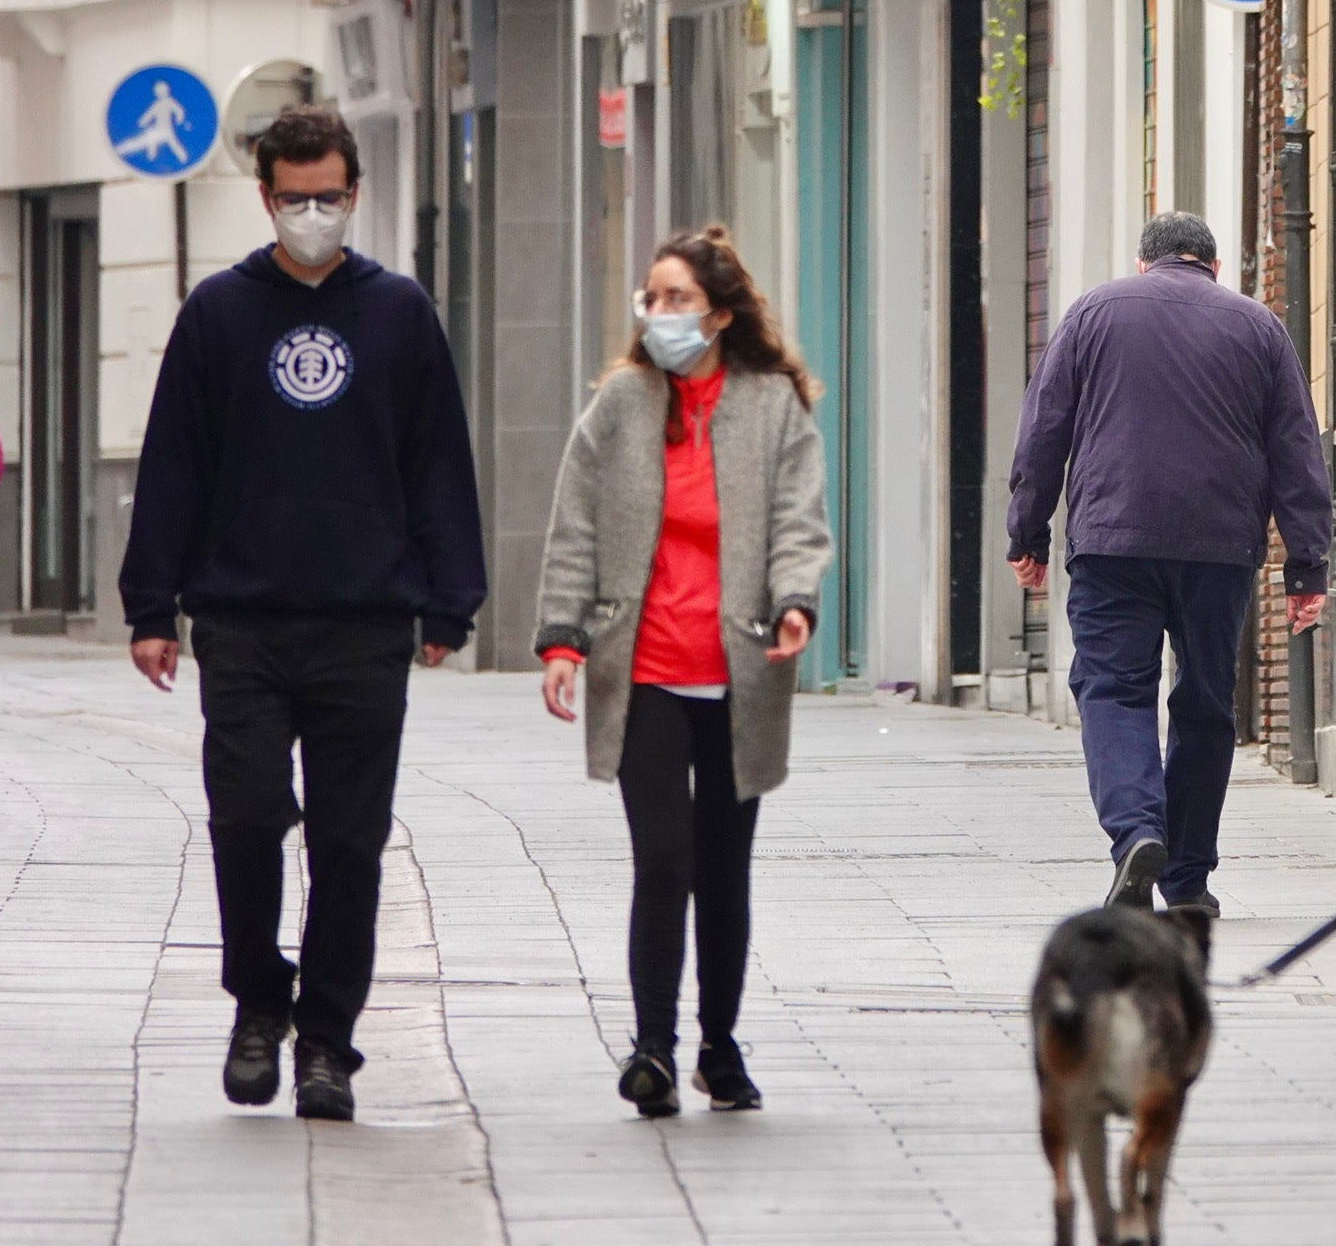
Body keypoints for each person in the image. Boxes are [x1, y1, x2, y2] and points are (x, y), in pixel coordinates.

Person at [119, 105, 486, 1123]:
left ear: (355, 193)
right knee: (241, 817)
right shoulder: (219, 314)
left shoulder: (400, 314)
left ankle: (326, 1038)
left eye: (329, 195)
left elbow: (437, 463)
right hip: (240, 618)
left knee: (350, 843)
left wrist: (449, 598)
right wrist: (152, 606)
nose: (313, 213)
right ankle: (256, 1000)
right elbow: (174, 464)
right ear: (267, 197)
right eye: (295, 198)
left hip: (364, 621)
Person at [534, 226, 832, 1118]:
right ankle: (654, 1048)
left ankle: (719, 1046)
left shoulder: (773, 405)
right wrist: (562, 639)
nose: (659, 314)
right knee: (663, 861)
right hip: (647, 670)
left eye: (676, 299)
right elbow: (575, 524)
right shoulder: (622, 404)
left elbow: (798, 519)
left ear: (721, 314)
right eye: (650, 298)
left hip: (740, 671)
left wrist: (794, 601)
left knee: (724, 870)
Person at [1008, 210, 1333, 916]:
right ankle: (1187, 879)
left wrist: (1026, 534)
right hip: (1220, 548)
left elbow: (1043, 430)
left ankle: (1135, 834)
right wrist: (1306, 565)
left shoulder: (1093, 313)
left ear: (1142, 264)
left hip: (1111, 543)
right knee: (1205, 704)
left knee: (1113, 690)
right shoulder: (1259, 326)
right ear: (1215, 268)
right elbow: (1296, 450)